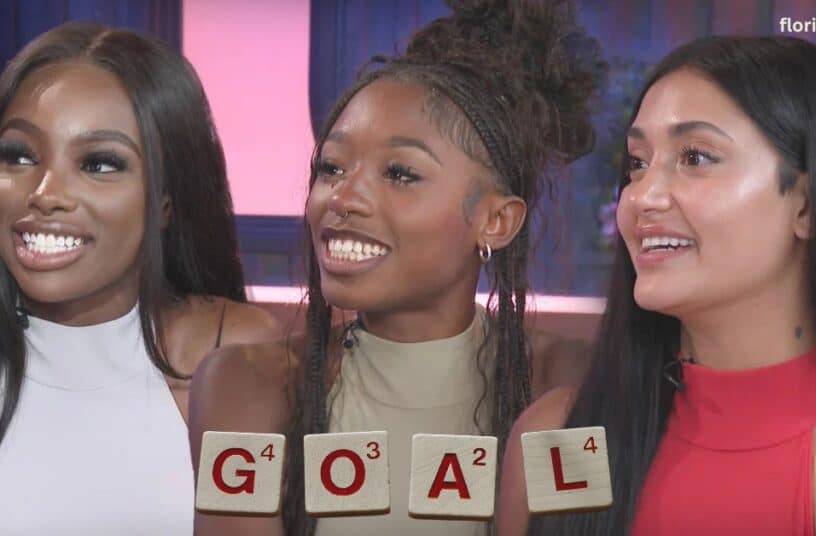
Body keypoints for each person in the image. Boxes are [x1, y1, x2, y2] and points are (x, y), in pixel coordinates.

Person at [500, 36, 816, 535]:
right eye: (637, 162)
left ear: (807, 205)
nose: (641, 197)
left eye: (695, 157)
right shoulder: (559, 438)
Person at [189, 1, 606, 534]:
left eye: (400, 174)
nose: (342, 197)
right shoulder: (248, 384)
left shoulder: (570, 383)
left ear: (497, 221)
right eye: (331, 167)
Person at [0, 22, 279, 535]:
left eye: (99, 163)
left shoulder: (236, 351)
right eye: (20, 156)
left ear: (166, 201)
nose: (47, 192)